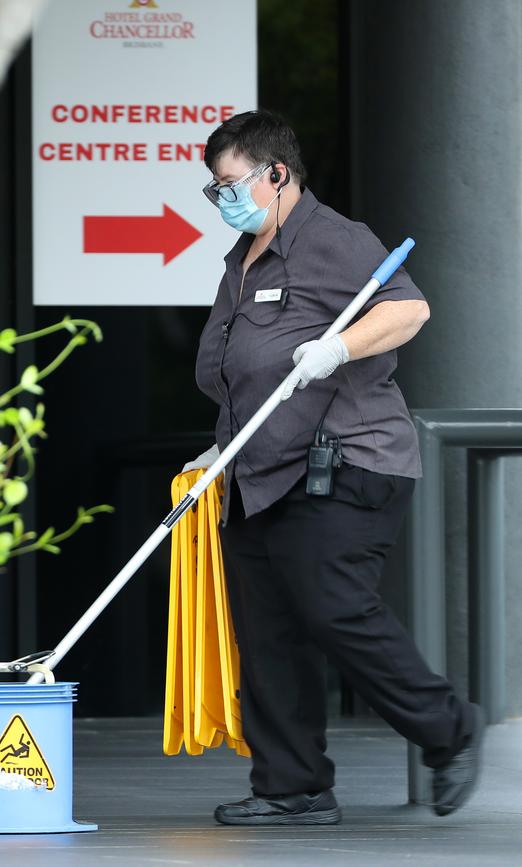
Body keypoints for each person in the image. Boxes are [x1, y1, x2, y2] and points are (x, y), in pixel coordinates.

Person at [186, 109, 484, 826]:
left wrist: (337, 349)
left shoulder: (332, 239)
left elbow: (410, 308)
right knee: (266, 628)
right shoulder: (242, 256)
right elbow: (241, 373)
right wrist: (221, 445)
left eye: (228, 183)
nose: (220, 197)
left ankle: (449, 726)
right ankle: (293, 784)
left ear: (276, 173)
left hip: (344, 462)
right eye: (213, 187)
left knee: (330, 603)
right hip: (258, 474)